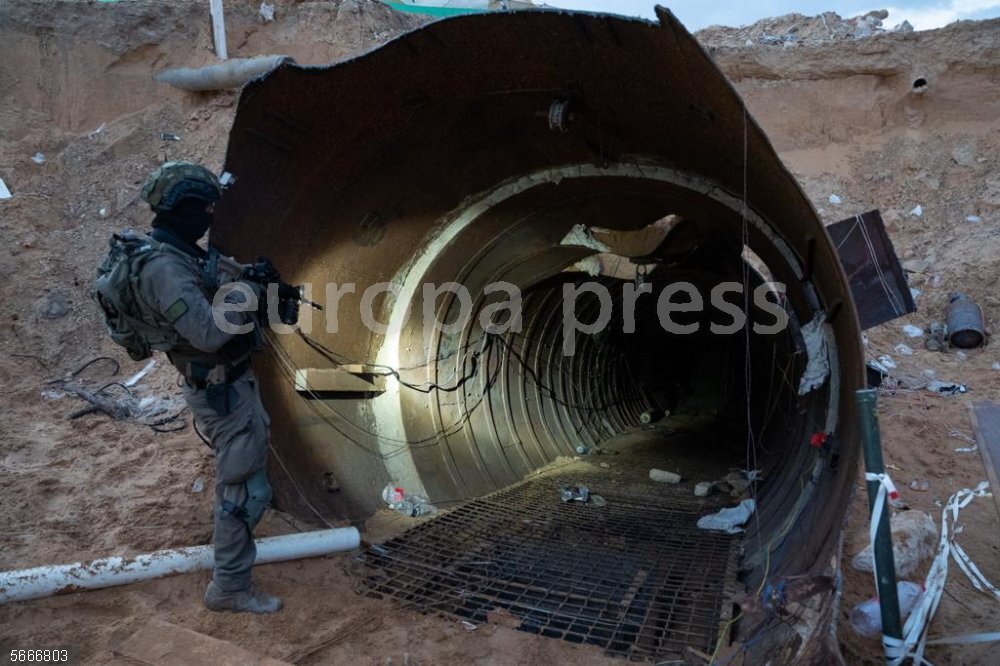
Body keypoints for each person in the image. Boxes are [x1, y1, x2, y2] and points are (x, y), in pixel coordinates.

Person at [103, 161, 282, 614]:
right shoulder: (163, 268)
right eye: (203, 208)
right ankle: (230, 587)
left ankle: (232, 571)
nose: (209, 215)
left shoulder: (174, 249)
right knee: (243, 491)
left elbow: (208, 274)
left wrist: (247, 275)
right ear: (180, 208)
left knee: (246, 481)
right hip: (221, 391)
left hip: (228, 384)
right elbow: (208, 333)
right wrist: (250, 296)